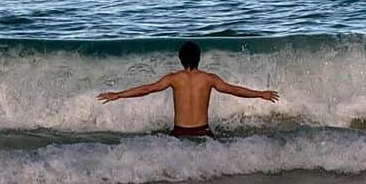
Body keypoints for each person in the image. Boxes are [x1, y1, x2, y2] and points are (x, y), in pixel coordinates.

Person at [98, 40, 279, 138]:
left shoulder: (174, 78)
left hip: (179, 132)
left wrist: (119, 95)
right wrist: (261, 94)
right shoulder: (209, 79)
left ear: (181, 58)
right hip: (204, 131)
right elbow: (234, 90)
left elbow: (147, 89)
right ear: (199, 58)